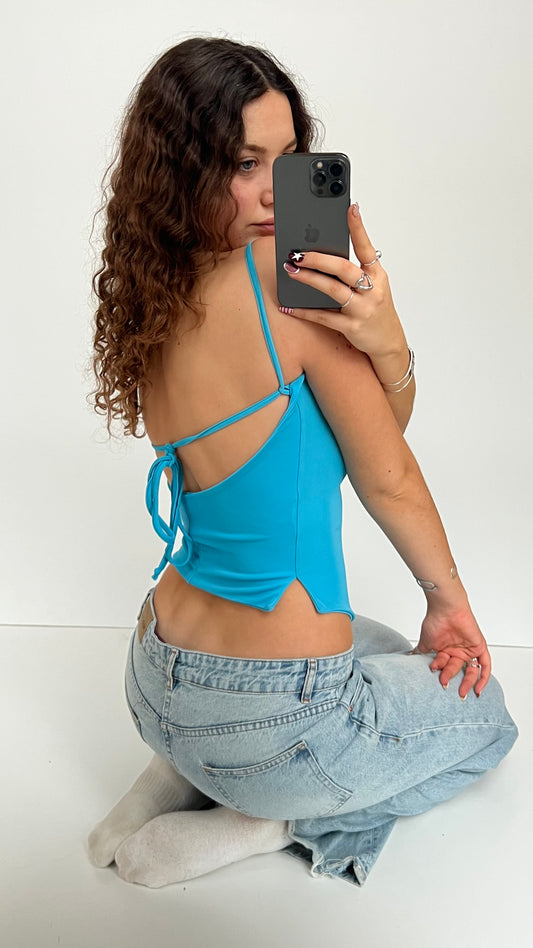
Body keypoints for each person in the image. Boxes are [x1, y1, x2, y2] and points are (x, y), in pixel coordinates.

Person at [88, 37, 517, 888]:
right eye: (244, 162)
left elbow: (355, 432)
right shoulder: (281, 285)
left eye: (286, 160)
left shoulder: (151, 297)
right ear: (185, 171)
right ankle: (270, 820)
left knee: (384, 646)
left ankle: (177, 771)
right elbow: (386, 471)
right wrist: (449, 601)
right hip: (269, 722)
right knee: (488, 721)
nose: (272, 192)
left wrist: (380, 343)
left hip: (155, 674)